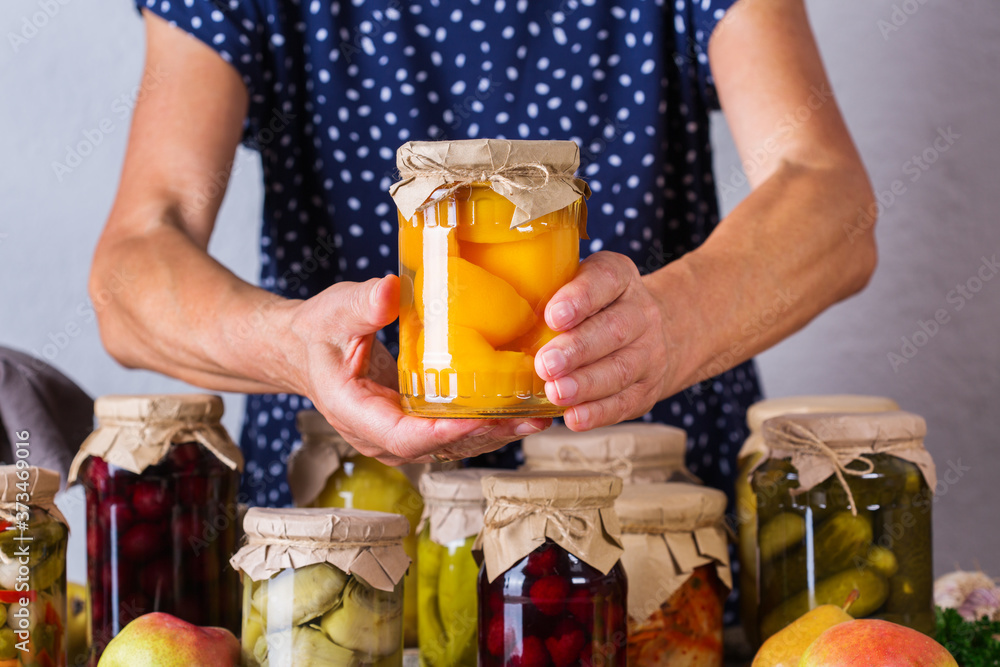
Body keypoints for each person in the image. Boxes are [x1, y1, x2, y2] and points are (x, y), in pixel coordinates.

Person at [90, 0, 877, 509]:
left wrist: (676, 323)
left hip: (646, 507)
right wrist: (289, 347)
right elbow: (130, 269)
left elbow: (831, 198)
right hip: (346, 511)